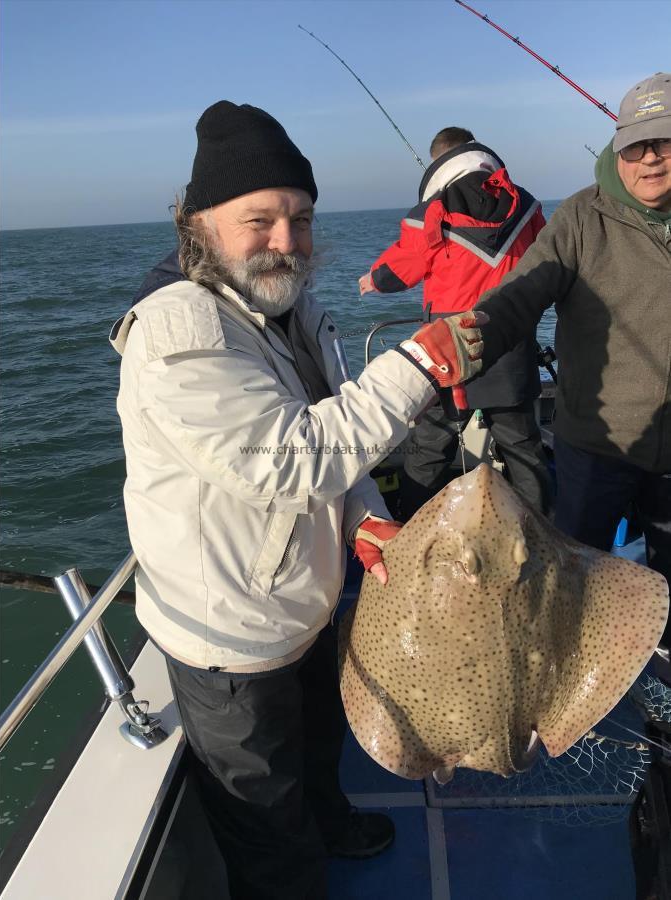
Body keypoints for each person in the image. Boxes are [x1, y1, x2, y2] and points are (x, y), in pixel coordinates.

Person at [110, 100, 484, 900]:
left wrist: (363, 516)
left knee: (317, 750)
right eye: (260, 220)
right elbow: (289, 460)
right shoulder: (179, 333)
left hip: (302, 604)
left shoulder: (291, 309)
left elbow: (326, 429)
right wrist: (420, 359)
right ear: (196, 221)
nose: (286, 242)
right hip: (231, 640)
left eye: (301, 219)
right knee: (265, 819)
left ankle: (332, 818)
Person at [474, 72, 671, 650]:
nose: (652, 158)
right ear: (618, 148)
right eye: (638, 144)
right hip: (596, 443)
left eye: (666, 141)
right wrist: (471, 334)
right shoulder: (582, 219)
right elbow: (522, 291)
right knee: (571, 586)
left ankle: (660, 690)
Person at [359, 127, 554, 520]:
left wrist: (373, 279)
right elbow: (548, 260)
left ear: (439, 162)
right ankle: (541, 531)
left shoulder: (435, 207)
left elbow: (405, 264)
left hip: (450, 344)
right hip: (510, 338)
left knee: (432, 443)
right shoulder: (527, 205)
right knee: (521, 443)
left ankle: (410, 525)